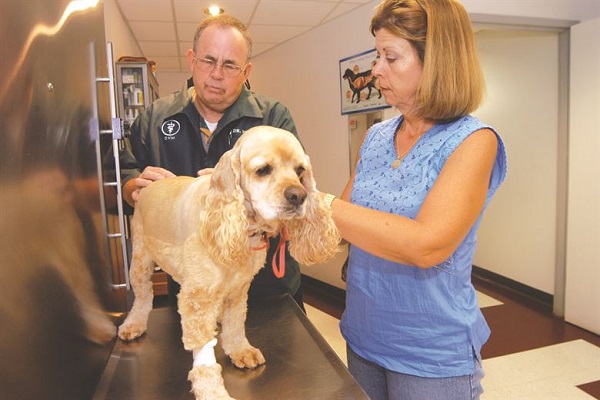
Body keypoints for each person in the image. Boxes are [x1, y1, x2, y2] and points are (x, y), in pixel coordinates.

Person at [320, 0, 508, 399]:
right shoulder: (376, 137)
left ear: (436, 61)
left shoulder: (473, 141)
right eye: (377, 55)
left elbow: (427, 245)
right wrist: (262, 200)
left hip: (430, 356)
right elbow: (341, 227)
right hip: (363, 336)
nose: (376, 70)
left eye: (390, 57)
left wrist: (317, 204)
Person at [120, 14, 304, 309]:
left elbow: (295, 194)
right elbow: (122, 173)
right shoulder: (155, 119)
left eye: (230, 65)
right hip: (191, 287)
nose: (217, 74)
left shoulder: (273, 118)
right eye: (208, 61)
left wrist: (238, 192)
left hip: (266, 289)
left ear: (246, 72)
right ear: (192, 60)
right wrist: (132, 186)